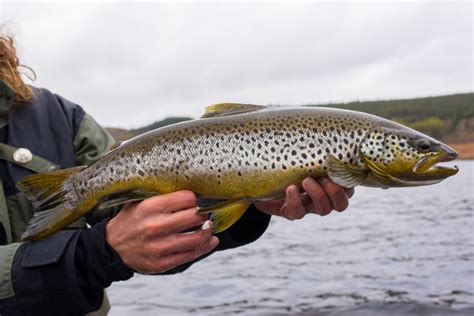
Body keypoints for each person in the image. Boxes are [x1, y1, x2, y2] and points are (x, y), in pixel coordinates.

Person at [0, 32, 354, 316]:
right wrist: (96, 253)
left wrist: (250, 198)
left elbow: (143, 233)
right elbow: (111, 244)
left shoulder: (59, 115)